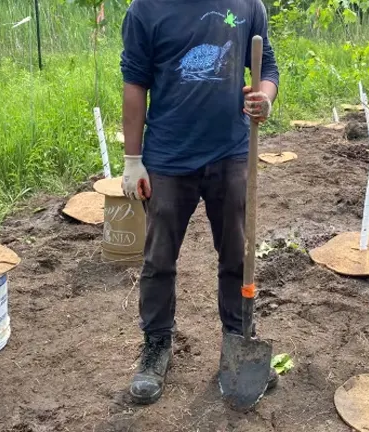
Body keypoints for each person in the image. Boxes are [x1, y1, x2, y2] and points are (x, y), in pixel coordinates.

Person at [119, 0, 279, 405]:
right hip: (169, 159)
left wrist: (265, 97)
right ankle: (156, 345)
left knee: (236, 255)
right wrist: (132, 160)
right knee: (158, 258)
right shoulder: (146, 9)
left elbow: (268, 69)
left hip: (230, 153)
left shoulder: (247, 6)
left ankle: (237, 338)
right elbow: (135, 83)